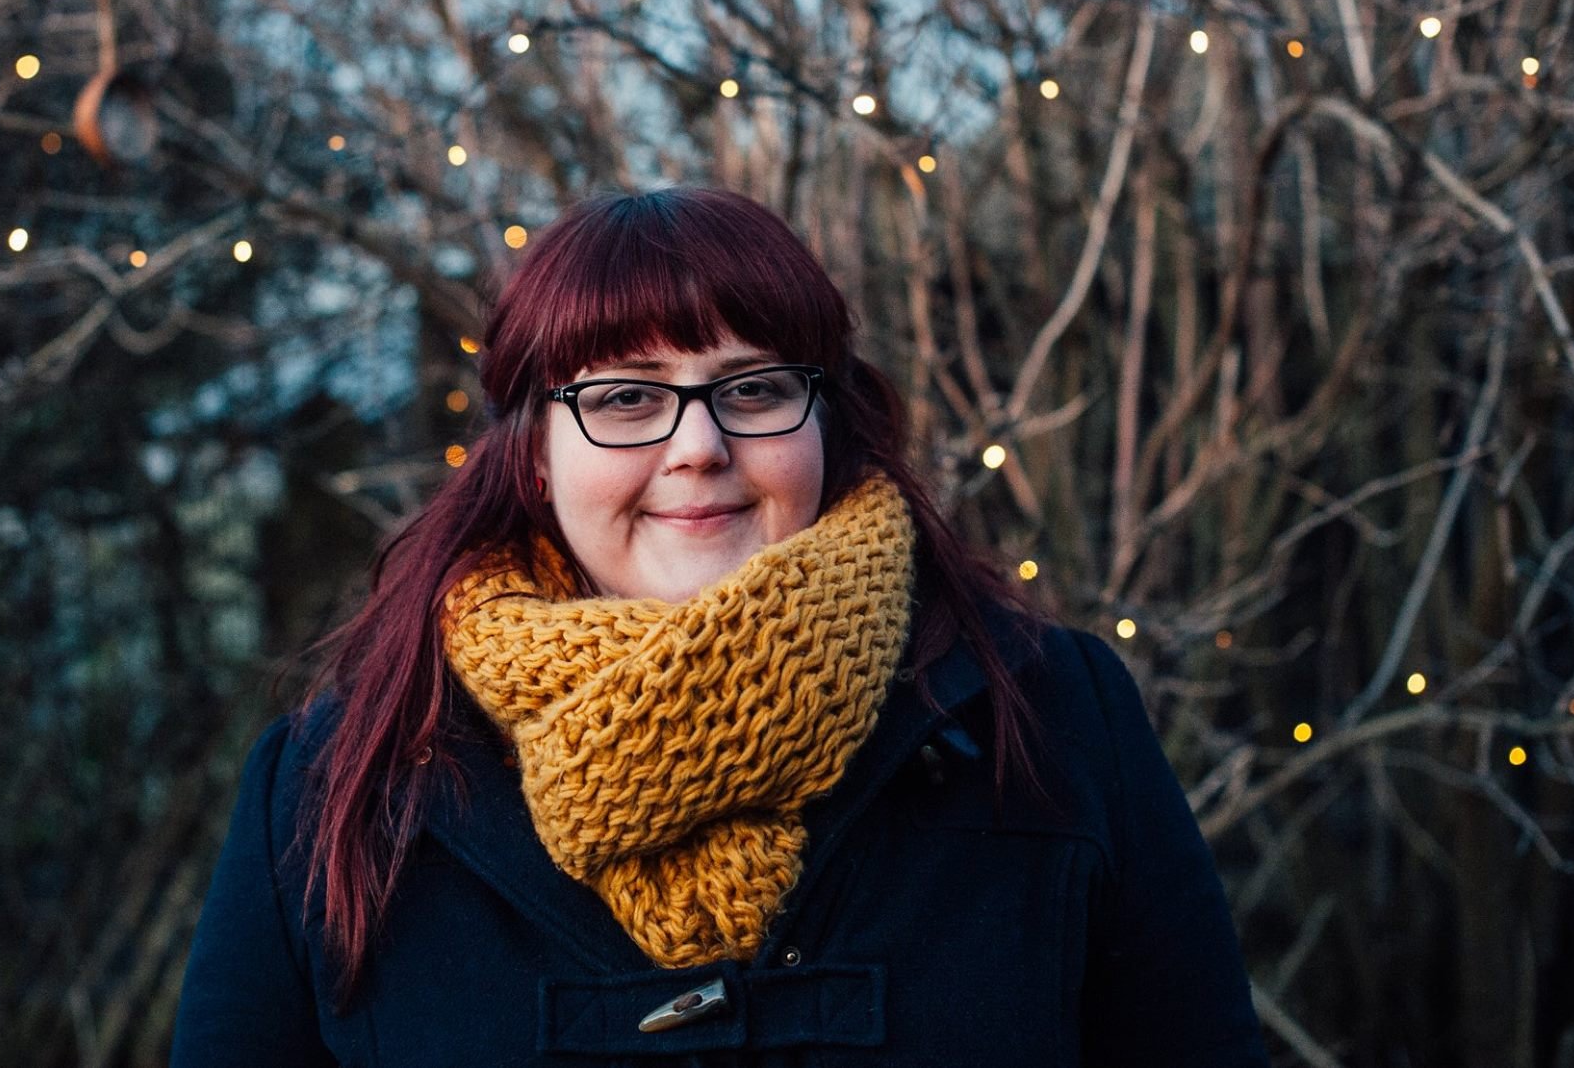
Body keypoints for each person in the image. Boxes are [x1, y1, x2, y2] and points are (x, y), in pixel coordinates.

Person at [171, 188, 1269, 1066]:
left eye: (750, 388)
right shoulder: (333, 786)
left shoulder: (1054, 719)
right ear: (533, 451)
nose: (697, 446)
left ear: (826, 423)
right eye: (624, 397)